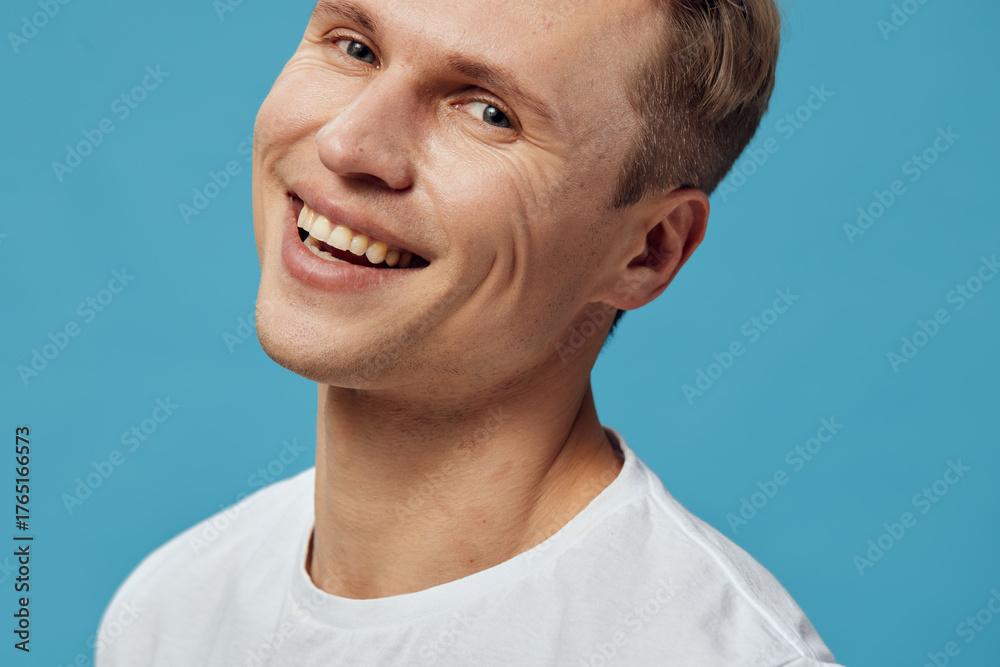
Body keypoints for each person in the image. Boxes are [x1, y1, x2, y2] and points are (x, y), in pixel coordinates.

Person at [98, 0, 846, 664]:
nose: (348, 144)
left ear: (647, 249)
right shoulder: (166, 613)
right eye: (355, 46)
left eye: (489, 112)